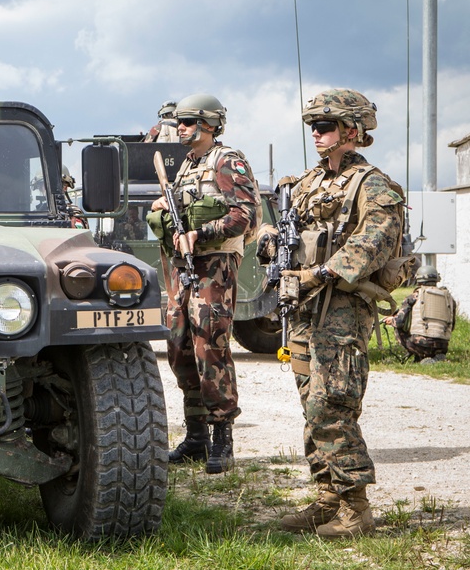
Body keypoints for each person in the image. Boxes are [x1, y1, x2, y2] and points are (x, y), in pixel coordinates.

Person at [271, 89, 404, 538]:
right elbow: (293, 233)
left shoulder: (373, 184)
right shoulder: (308, 183)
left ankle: (356, 507)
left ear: (352, 131)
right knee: (312, 402)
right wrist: (273, 241)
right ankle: (328, 497)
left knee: (334, 402)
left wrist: (322, 272)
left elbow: (376, 240)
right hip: (306, 306)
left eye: (325, 126)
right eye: (313, 126)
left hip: (343, 305)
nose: (316, 132)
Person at [148, 93, 260, 474]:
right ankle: (195, 437)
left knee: (209, 345)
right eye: (179, 121)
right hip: (184, 267)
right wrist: (164, 209)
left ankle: (221, 439)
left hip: (215, 266)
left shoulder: (227, 161)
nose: (180, 127)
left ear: (210, 125)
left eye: (189, 121)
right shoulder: (186, 166)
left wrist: (201, 232)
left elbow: (244, 214)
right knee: (179, 346)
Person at [384, 264, 456, 363]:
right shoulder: (449, 298)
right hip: (442, 346)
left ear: (418, 279)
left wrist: (391, 320)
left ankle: (420, 355)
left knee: (398, 328)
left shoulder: (414, 296)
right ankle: (435, 357)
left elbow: (399, 321)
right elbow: (451, 326)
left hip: (420, 345)